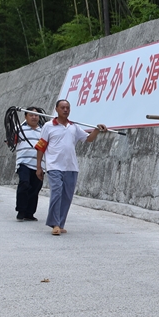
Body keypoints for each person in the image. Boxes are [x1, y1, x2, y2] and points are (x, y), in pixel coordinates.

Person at [35, 99, 107, 235]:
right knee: (56, 193)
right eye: (62, 107)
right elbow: (41, 146)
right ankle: (54, 224)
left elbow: (88, 139)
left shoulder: (74, 127)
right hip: (54, 166)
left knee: (67, 196)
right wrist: (39, 167)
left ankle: (61, 223)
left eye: (67, 107)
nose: (65, 110)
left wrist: (97, 130)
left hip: (71, 167)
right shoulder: (48, 126)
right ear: (56, 109)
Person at [14, 107, 45, 221]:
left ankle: (29, 213)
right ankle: (21, 210)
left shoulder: (44, 131)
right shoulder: (19, 129)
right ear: (25, 117)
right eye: (31, 115)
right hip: (24, 162)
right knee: (24, 183)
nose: (34, 117)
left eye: (36, 115)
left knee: (35, 188)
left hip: (40, 164)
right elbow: (12, 141)